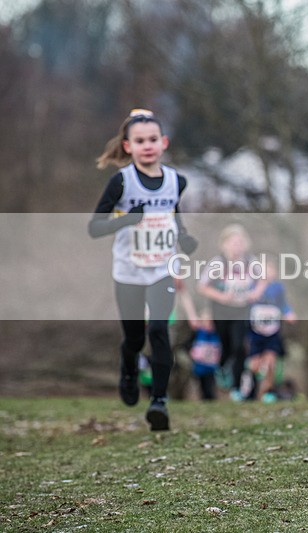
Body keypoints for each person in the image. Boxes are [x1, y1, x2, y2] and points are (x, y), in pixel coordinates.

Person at [89, 108, 198, 431]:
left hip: (161, 269)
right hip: (128, 271)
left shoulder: (176, 180)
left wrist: (184, 238)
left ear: (163, 143)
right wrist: (127, 220)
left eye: (153, 139)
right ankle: (128, 367)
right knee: (136, 338)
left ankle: (159, 402)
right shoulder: (121, 183)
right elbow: (95, 227)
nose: (147, 145)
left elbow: (173, 216)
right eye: (140, 141)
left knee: (159, 331)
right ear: (128, 146)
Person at [197, 224, 266, 401]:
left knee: (239, 345)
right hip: (221, 310)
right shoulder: (218, 262)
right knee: (225, 345)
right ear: (225, 244)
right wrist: (221, 296)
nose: (237, 246)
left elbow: (263, 279)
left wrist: (255, 293)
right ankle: (221, 368)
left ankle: (236, 387)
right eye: (233, 242)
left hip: (242, 309)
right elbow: (203, 286)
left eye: (240, 242)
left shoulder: (251, 261)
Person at [246, 254, 297, 404]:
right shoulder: (252, 285)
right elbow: (247, 301)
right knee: (255, 365)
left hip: (273, 331)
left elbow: (283, 304)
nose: (267, 273)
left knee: (270, 363)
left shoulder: (277, 288)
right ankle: (251, 386)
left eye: (269, 270)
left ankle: (265, 393)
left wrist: (289, 313)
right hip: (256, 332)